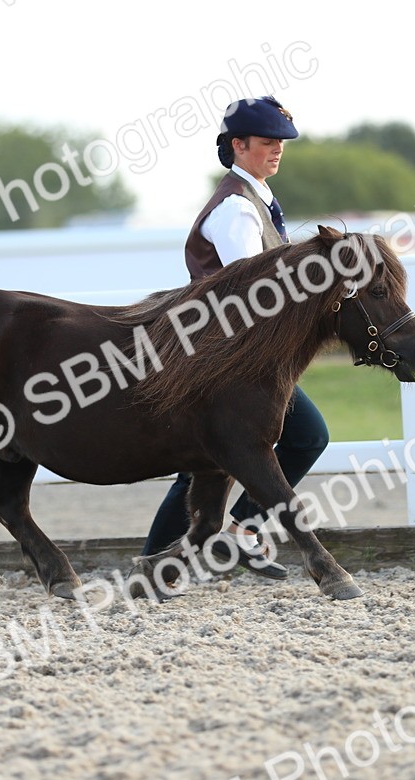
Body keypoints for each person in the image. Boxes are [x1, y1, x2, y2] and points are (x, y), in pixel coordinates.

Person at [141, 95, 330, 579]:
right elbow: (254, 295)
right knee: (303, 437)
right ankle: (215, 540)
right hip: (226, 361)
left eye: (280, 143)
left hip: (237, 360)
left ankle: (205, 544)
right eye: (267, 142)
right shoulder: (235, 212)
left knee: (207, 465)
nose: (277, 150)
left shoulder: (255, 202)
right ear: (237, 145)